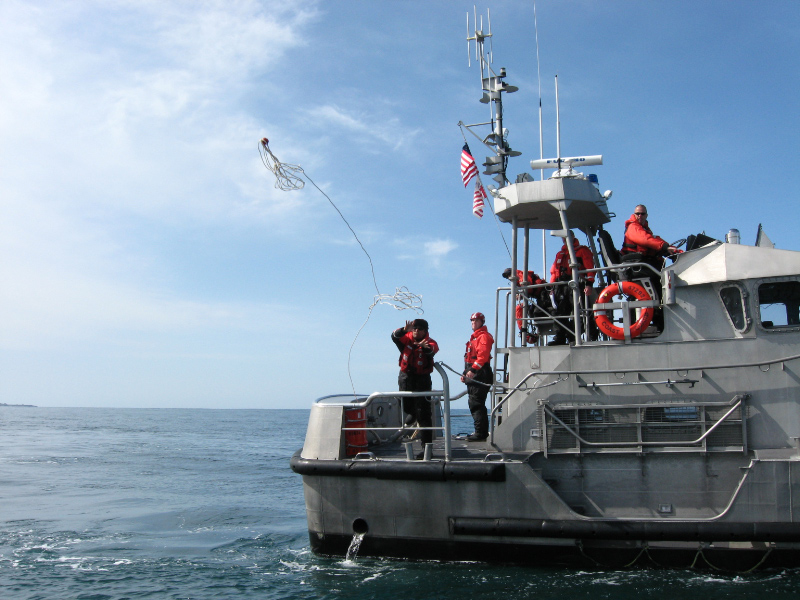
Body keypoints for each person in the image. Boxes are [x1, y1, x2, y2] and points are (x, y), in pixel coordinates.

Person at [620, 205, 678, 331]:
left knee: (660, 280)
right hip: (637, 268)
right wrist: (663, 247)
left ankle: (659, 321)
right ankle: (660, 322)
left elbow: (653, 240)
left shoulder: (644, 229)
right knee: (659, 288)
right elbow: (645, 240)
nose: (640, 216)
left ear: (646, 215)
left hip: (642, 265)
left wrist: (672, 250)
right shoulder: (633, 227)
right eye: (638, 213)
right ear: (634, 214)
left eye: (642, 214)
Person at [391, 319, 439, 454]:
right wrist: (404, 330)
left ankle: (427, 448)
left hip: (422, 379)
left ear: (425, 331)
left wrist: (425, 348)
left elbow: (433, 350)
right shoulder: (407, 339)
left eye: (419, 329)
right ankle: (412, 413)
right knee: (405, 404)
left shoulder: (431, 343)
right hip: (406, 377)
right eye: (414, 328)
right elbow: (394, 337)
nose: (416, 331)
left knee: (424, 415)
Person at [548, 237, 596, 345]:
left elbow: (590, 268)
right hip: (561, 286)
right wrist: (552, 287)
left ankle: (584, 336)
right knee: (560, 313)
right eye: (563, 239)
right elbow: (554, 272)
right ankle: (560, 337)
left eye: (566, 238)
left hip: (577, 284)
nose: (565, 240)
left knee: (581, 311)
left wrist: (589, 285)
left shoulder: (582, 251)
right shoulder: (560, 253)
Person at [461, 312, 494, 442]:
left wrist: (473, 371)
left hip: (481, 374)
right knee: (474, 402)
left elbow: (482, 357)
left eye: (476, 321)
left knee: (476, 403)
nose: (473, 323)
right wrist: (466, 373)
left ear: (482, 322)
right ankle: (480, 431)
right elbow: (471, 358)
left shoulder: (483, 337)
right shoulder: (475, 338)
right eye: (472, 321)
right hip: (476, 373)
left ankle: (481, 433)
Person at [503, 268, 546, 344]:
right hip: (540, 298)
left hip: (545, 296)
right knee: (519, 308)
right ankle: (524, 332)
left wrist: (521, 294)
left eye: (509, 275)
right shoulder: (520, 276)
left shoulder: (521, 275)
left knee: (534, 313)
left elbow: (527, 286)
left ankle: (526, 333)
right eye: (507, 277)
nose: (509, 278)